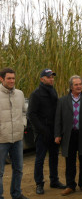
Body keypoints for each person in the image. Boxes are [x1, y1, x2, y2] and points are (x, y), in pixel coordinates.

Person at [27, 69, 66, 194]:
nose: (52, 79)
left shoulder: (53, 92)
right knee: (40, 159)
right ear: (42, 79)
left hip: (54, 131)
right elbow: (31, 115)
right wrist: (42, 130)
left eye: (52, 77)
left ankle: (54, 181)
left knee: (54, 157)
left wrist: (58, 130)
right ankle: (39, 183)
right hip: (42, 133)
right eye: (49, 77)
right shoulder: (36, 94)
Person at [54, 75, 82, 196]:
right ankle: (70, 185)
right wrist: (57, 134)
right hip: (68, 136)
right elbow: (58, 119)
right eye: (76, 84)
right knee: (69, 162)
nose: (79, 86)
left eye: (80, 84)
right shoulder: (62, 101)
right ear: (71, 87)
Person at [0, 68, 29, 199]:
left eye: (13, 78)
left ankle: (16, 194)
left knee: (18, 169)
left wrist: (22, 125)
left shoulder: (20, 94)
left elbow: (24, 112)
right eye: (9, 78)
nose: (12, 81)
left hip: (17, 139)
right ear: (1, 79)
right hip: (1, 139)